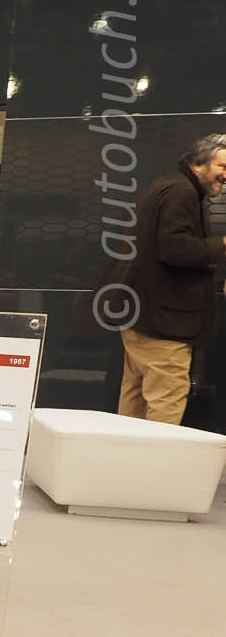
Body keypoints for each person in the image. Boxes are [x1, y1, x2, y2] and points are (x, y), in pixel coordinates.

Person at [117, 133, 226, 424]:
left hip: (143, 316)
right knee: (167, 399)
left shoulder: (166, 186)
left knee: (135, 402)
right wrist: (221, 246)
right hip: (164, 323)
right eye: (222, 166)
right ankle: (156, 456)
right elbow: (174, 248)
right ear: (198, 163)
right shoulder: (182, 192)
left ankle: (127, 453)